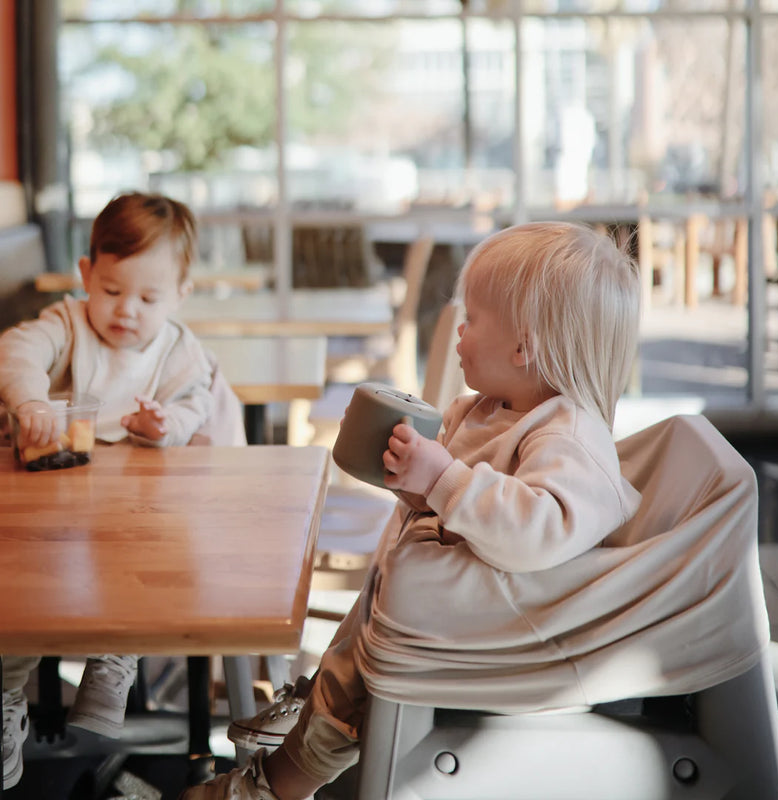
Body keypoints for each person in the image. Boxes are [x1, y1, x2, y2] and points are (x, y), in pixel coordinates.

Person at [181, 220, 644, 800]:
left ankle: (273, 786)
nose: (458, 334)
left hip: (498, 635)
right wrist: (416, 485)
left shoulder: (569, 434)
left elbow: (538, 531)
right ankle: (305, 729)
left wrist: (444, 479)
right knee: (351, 652)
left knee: (347, 688)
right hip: (435, 616)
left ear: (524, 347)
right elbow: (468, 513)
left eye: (472, 321)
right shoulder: (491, 409)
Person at [0, 190, 223, 790]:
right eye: (112, 290)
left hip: (141, 506)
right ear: (86, 275)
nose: (127, 310)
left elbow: (197, 403)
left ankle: (116, 656)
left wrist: (165, 426)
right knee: (23, 595)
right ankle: (7, 697)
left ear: (180, 296)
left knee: (150, 560)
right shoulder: (68, 325)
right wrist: (30, 400)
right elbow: (17, 350)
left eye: (149, 298)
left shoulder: (179, 351)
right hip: (60, 501)